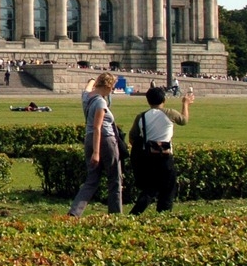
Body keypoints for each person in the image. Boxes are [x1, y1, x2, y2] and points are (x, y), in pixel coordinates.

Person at [129, 86, 194, 214]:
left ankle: (135, 213)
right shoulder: (169, 113)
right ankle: (162, 216)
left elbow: (132, 138)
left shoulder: (141, 116)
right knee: (168, 189)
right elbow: (184, 120)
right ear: (164, 99)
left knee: (150, 188)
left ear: (148, 101)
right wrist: (185, 104)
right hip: (165, 156)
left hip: (148, 156)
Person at [68, 72, 123, 216]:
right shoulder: (100, 102)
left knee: (92, 180)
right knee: (115, 178)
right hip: (105, 139)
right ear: (107, 86)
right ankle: (115, 213)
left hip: (88, 138)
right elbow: (98, 127)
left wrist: (92, 80)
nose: (111, 91)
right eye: (111, 88)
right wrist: (96, 152)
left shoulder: (87, 98)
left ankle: (74, 212)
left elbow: (88, 87)